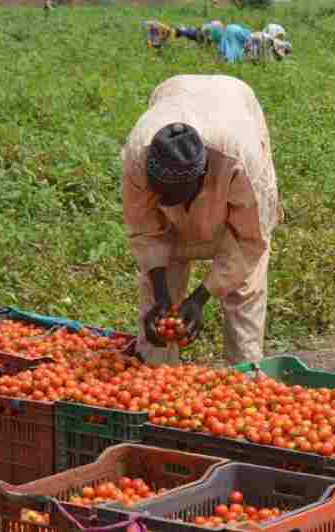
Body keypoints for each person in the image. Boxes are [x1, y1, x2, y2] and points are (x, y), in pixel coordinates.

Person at [121, 75, 283, 370]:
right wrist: (160, 293)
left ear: (202, 177)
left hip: (234, 102)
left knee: (244, 288)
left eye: (176, 196)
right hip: (174, 91)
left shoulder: (241, 159)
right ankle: (155, 375)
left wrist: (200, 297)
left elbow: (250, 241)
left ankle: (243, 378)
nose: (168, 202)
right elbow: (145, 228)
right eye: (161, 194)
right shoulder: (138, 157)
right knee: (156, 302)